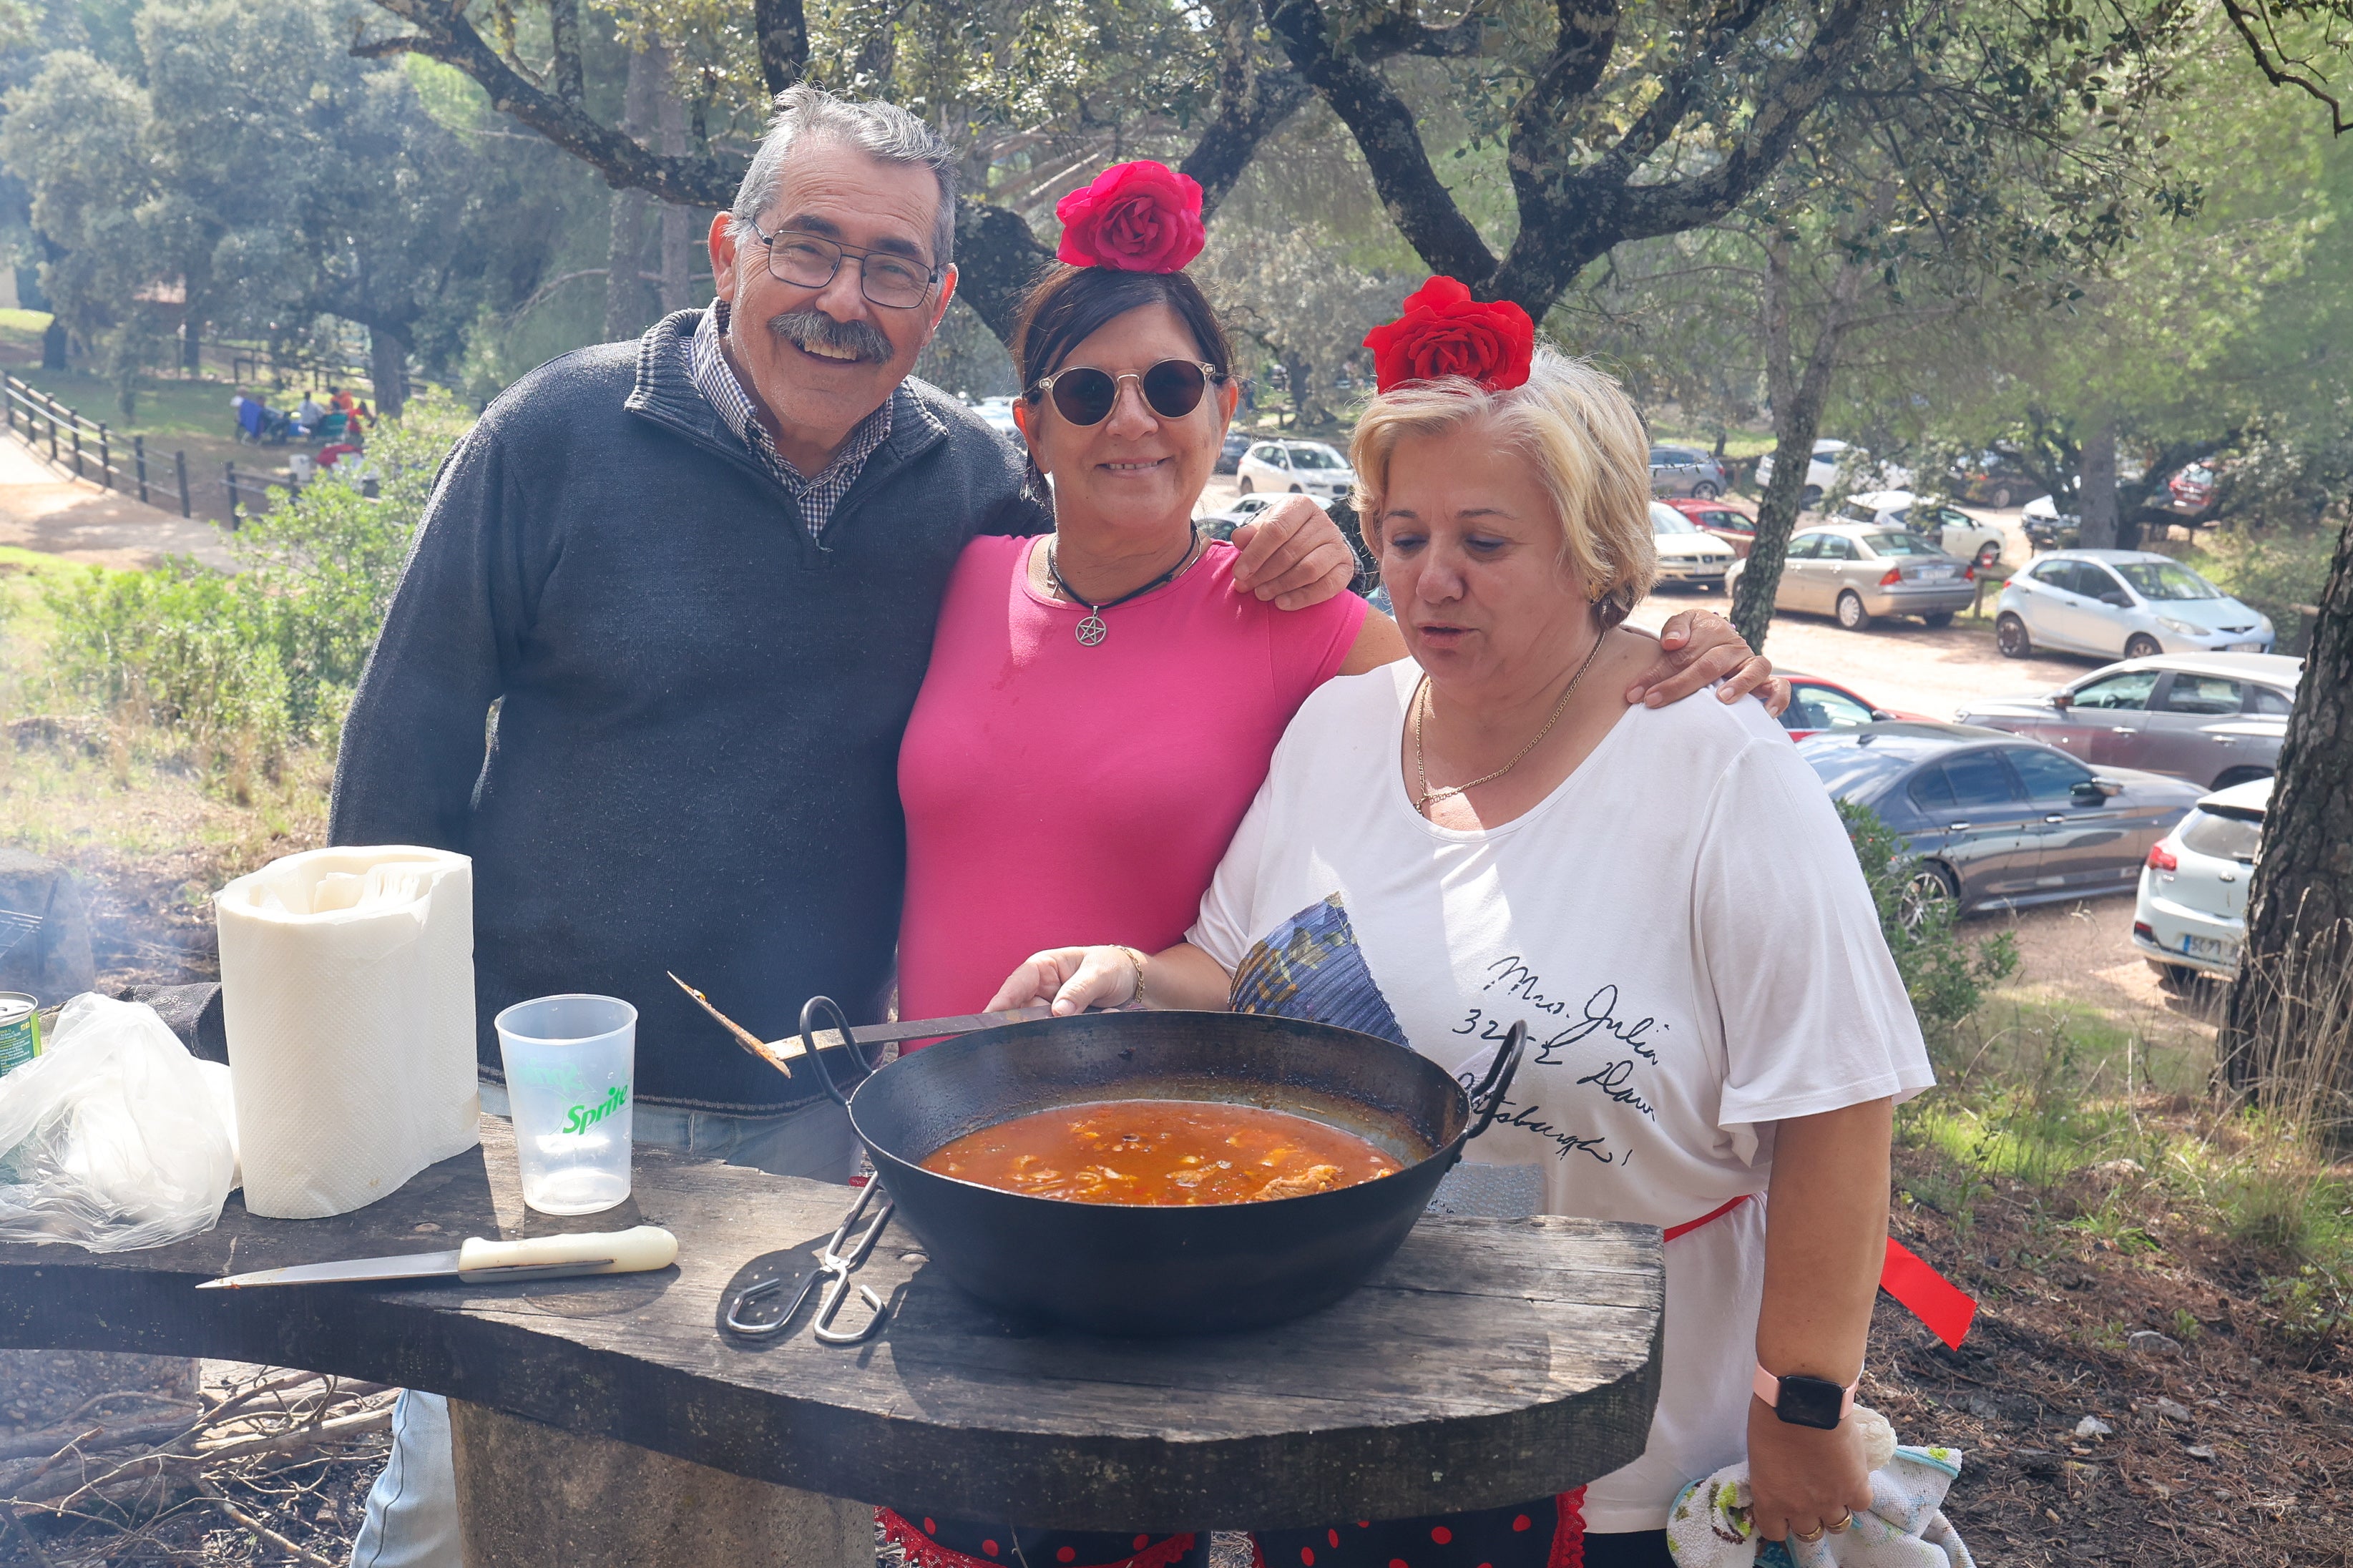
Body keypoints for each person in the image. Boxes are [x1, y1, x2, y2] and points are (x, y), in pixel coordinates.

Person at [330, 90, 1359, 1568]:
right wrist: (378, 1067)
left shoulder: (969, 484)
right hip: (542, 1095)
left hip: (817, 1122)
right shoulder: (556, 433)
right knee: (465, 1497)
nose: (841, 298)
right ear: (726, 249)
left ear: (937, 304)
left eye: (891, 267)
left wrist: (1293, 534)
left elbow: (1126, 498)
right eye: (807, 246)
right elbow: (400, 760)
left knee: (776, 1515)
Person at [881, 175, 1786, 1568]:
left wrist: (1681, 646)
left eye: (1172, 383)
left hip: (1171, 1186)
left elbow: (1520, 667)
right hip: (946, 1157)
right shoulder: (960, 575)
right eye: (1086, 392)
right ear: (1030, 427)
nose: (1132, 416)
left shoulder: (1297, 615)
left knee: (1141, 1517)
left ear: (1223, 409)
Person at [990, 298, 1929, 1567]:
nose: (1432, 577)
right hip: (1345, 1414)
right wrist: (1128, 972)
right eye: (1404, 532)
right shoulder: (1339, 728)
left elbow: (1837, 1106)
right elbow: (1231, 967)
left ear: (1592, 550)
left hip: (1619, 1470)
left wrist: (1800, 1402)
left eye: (1484, 541)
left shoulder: (1715, 768)